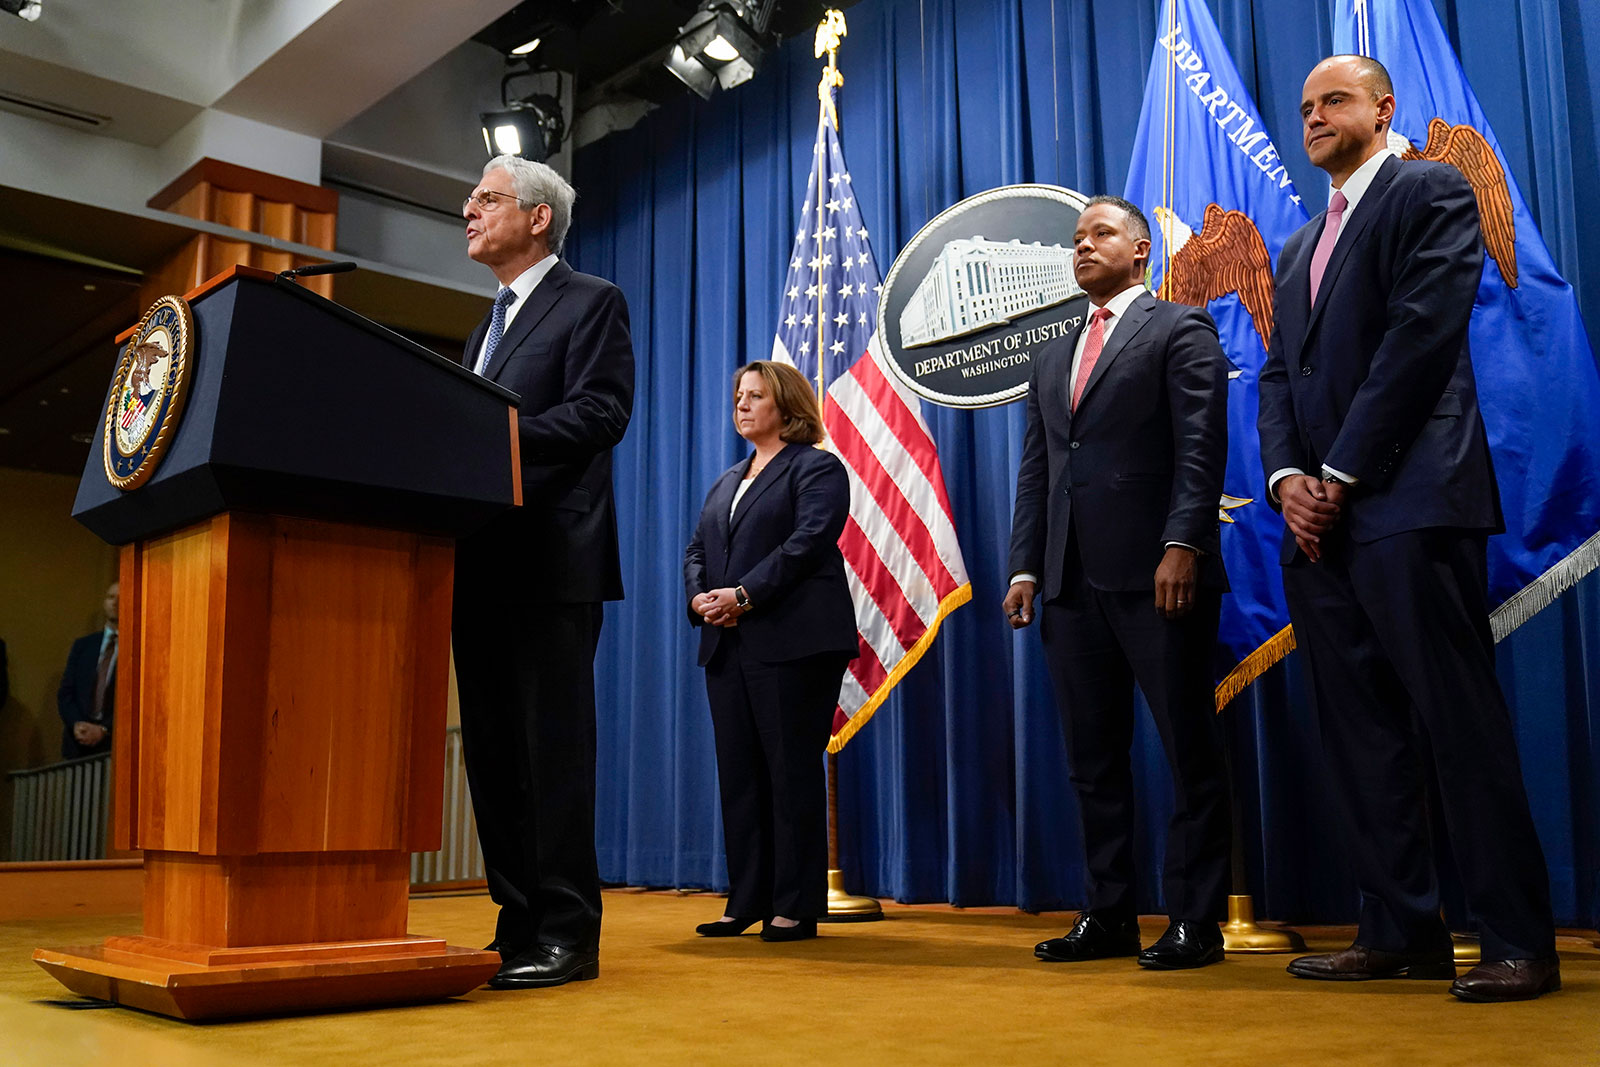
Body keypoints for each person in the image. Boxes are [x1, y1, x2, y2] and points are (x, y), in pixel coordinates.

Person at [1257, 55, 1559, 1002]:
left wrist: (1339, 473)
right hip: (1319, 529)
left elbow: (1417, 341)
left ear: (1383, 109)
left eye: (1333, 101)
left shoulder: (1429, 189)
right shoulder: (1301, 243)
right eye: (1304, 107)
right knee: (1364, 736)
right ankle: (1400, 930)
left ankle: (1516, 941)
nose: (1313, 117)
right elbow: (1277, 378)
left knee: (1458, 727)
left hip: (1413, 502)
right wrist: (1287, 482)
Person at [1004, 197, 1232, 970]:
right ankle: (1108, 914)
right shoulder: (1050, 354)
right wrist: (1025, 563)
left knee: (1188, 750)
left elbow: (1202, 446)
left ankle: (1196, 920)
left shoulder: (1179, 328)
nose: (1083, 247)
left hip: (1160, 574)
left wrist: (1183, 542)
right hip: (1069, 584)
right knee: (1092, 760)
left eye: (1100, 234)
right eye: (1076, 240)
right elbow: (1040, 470)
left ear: (1140, 252)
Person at [452, 154, 634, 989]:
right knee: (493, 754)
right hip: (478, 561)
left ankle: (568, 930)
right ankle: (518, 919)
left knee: (549, 752)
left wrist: (491, 442)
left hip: (552, 562)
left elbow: (602, 412)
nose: (468, 208)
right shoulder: (479, 329)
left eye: (486, 198)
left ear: (536, 219)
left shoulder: (590, 300)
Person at [683, 360, 858, 943]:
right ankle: (747, 899)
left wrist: (745, 595)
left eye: (755, 395)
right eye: (738, 395)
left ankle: (795, 904)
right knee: (740, 776)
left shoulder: (817, 468)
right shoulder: (728, 479)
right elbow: (696, 550)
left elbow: (807, 543)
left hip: (794, 642)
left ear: (787, 406)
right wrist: (702, 599)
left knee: (789, 773)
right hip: (728, 643)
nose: (741, 404)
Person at [58, 582, 118, 759]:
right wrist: (77, 724)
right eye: (111, 597)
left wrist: (104, 729)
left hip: (114, 748)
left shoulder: (140, 648)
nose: (115, 602)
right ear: (104, 602)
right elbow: (66, 693)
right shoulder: (83, 646)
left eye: (121, 598)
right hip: (77, 745)